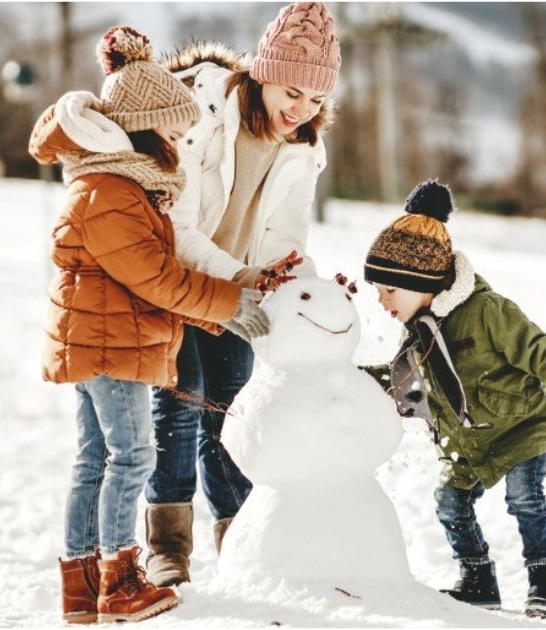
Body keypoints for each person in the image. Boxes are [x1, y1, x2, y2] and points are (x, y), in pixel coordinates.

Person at [29, 25, 268, 624]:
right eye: (173, 132)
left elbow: (151, 280)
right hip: (111, 345)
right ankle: (119, 580)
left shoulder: (119, 185)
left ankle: (83, 591)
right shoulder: (110, 190)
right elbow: (155, 276)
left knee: (94, 459)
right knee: (131, 457)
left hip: (104, 339)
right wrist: (227, 303)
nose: (181, 144)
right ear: (142, 127)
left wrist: (210, 314)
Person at [142, 1, 342, 588]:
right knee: (182, 402)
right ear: (263, 73)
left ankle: (242, 538)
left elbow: (285, 238)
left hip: (239, 294)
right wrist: (240, 278)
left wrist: (304, 287)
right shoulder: (202, 112)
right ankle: (168, 547)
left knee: (231, 413)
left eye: (315, 100)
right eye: (292, 92)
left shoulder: (303, 148)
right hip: (178, 279)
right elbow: (178, 225)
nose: (301, 110)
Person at [362, 180, 546, 618]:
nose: (382, 300)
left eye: (390, 289)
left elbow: (539, 350)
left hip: (521, 427)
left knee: (524, 500)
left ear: (421, 280)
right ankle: (479, 580)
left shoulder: (487, 311)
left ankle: (545, 585)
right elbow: (403, 382)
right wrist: (346, 382)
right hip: (469, 442)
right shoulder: (419, 330)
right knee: (450, 502)